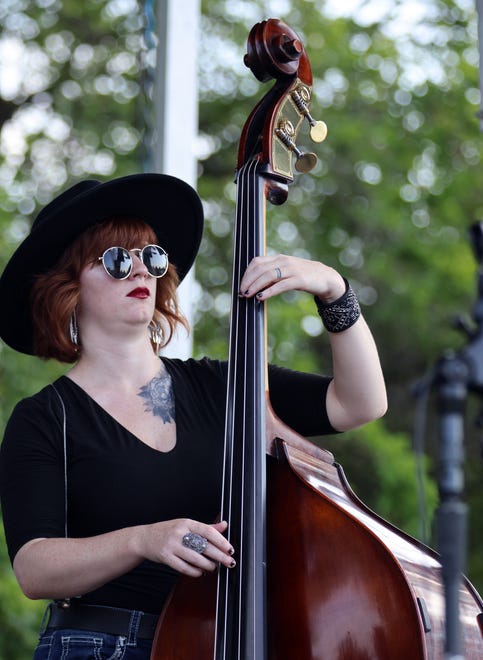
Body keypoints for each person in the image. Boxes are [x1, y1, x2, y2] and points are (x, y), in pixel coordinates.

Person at [0, 173, 387, 659]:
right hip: (96, 644)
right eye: (118, 260)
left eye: (151, 256)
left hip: (217, 640)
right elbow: (34, 569)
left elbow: (360, 403)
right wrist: (144, 540)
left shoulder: (223, 385)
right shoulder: (43, 418)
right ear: (67, 286)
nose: (141, 271)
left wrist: (334, 291)